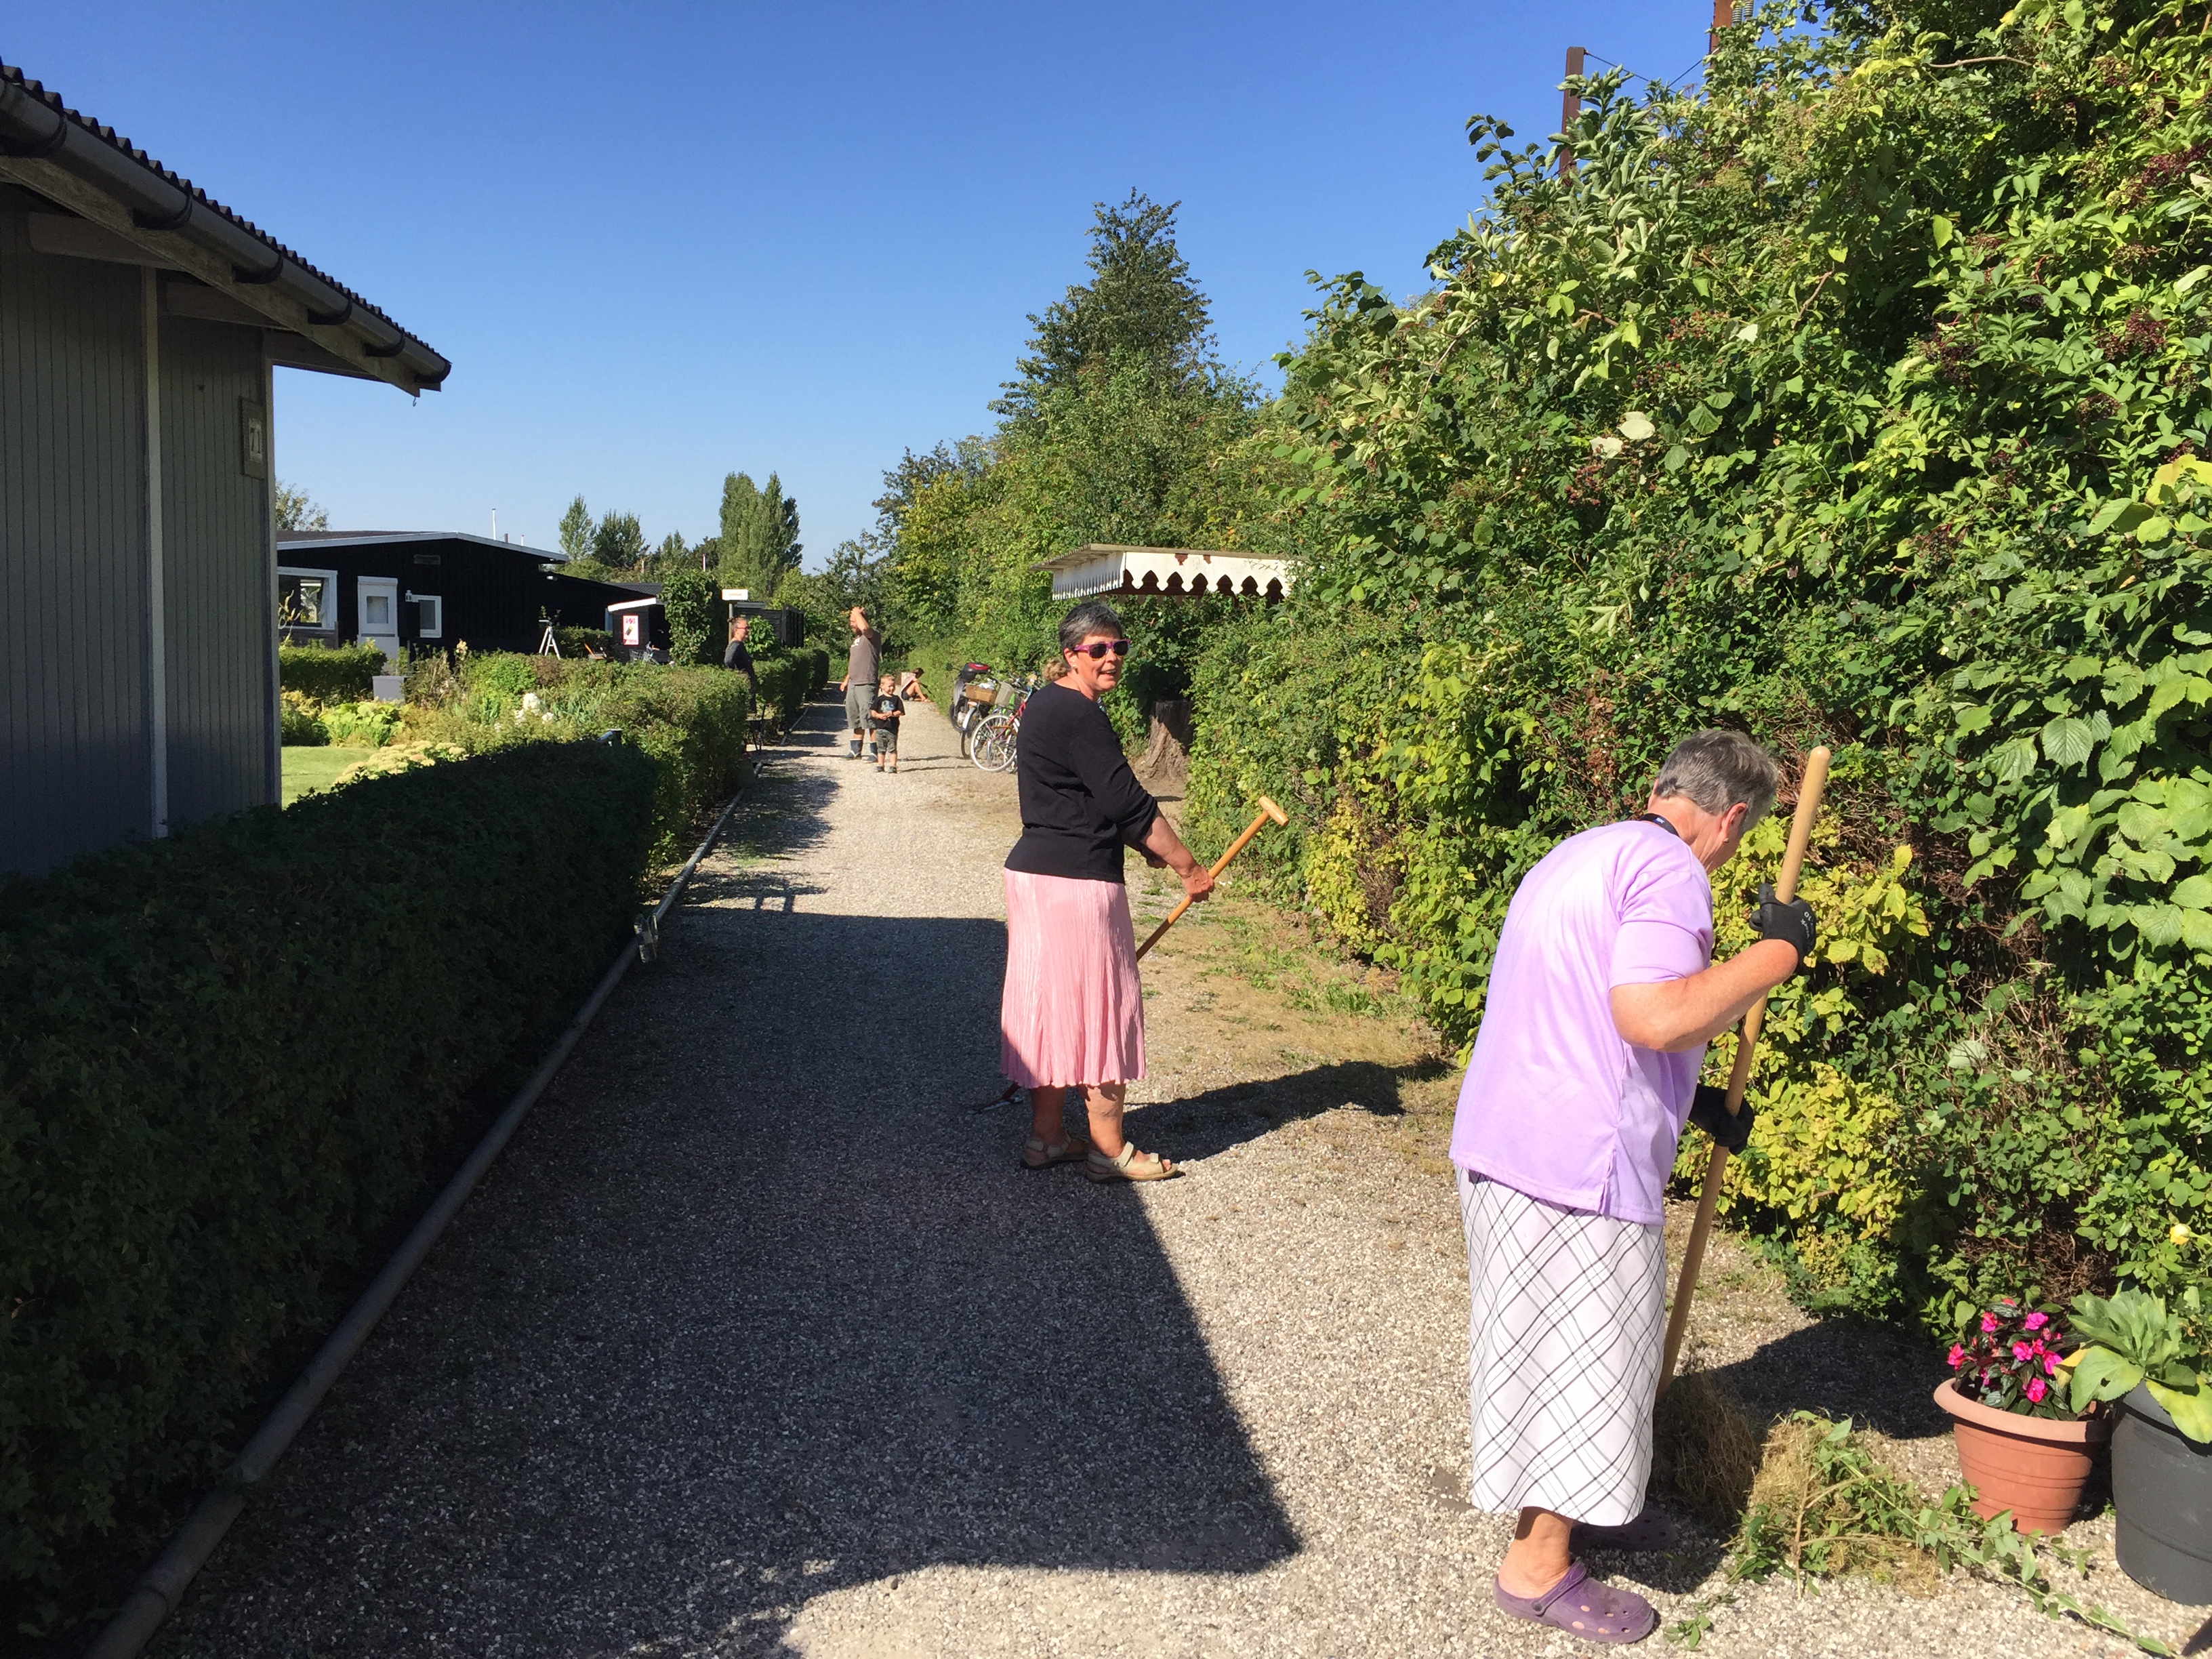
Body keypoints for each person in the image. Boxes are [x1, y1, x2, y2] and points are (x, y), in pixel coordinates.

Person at [1452, 731, 1816, 1645]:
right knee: (1583, 1365)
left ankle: (1585, 1508)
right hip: (1578, 1165)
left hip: (1510, 1136)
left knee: (1551, 1351)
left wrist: (1692, 1105)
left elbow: (1579, 1005)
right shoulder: (1669, 872)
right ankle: (1537, 1571)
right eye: (1743, 836)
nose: (1732, 854)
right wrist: (1777, 956)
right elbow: (1652, 1016)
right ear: (1731, 818)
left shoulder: (1580, 854)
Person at [1000, 600, 1214, 1182]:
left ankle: (1047, 1139)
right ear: (1071, 655)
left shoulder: (1046, 704)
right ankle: (1108, 1149)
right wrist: (1188, 867)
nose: (1112, 657)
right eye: (1098, 649)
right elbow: (1128, 802)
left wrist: (1141, 846)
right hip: (1075, 886)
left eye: (1119, 647)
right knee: (1100, 1011)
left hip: (1039, 875)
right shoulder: (1079, 713)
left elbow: (1083, 799)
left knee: (1053, 1009)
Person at [838, 608, 882, 760]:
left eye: (853, 621)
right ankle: (855, 750)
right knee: (855, 717)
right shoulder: (856, 640)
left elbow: (865, 629)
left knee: (869, 717)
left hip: (866, 683)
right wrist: (847, 679)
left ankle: (875, 751)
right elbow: (854, 661)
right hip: (854, 683)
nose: (851, 624)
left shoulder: (872, 636)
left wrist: (857, 613)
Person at [868, 674, 904, 773]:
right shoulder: (879, 699)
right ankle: (880, 765)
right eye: (889, 686)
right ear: (882, 686)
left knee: (892, 748)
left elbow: (901, 712)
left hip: (892, 728)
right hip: (880, 728)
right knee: (881, 748)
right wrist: (878, 716)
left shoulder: (896, 699)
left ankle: (893, 766)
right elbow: (873, 711)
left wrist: (892, 714)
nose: (892, 688)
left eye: (893, 686)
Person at [722, 615, 757, 696]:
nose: (748, 630)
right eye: (746, 628)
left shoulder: (739, 645)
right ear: (736, 630)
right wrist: (738, 675)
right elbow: (728, 661)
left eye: (749, 628)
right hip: (744, 690)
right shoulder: (736, 645)